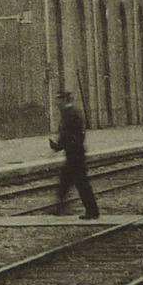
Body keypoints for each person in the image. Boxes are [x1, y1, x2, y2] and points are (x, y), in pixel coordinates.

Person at [50, 90, 100, 219]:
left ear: (64, 100)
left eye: (58, 100)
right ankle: (59, 208)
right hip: (74, 153)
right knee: (65, 181)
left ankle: (92, 211)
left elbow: (68, 135)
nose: (56, 103)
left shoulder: (70, 114)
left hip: (75, 155)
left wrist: (58, 146)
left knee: (81, 184)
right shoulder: (70, 113)